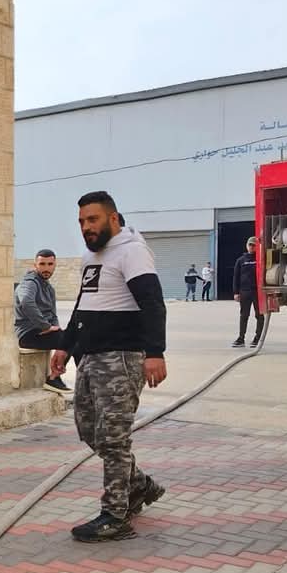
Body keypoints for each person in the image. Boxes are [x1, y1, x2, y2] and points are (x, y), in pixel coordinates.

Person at [51, 191, 167, 543]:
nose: (86, 227)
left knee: (114, 439)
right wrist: (65, 346)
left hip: (121, 357)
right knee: (90, 430)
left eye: (93, 219)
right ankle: (139, 484)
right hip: (90, 356)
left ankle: (115, 516)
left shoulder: (132, 251)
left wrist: (155, 353)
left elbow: (153, 303)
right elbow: (84, 306)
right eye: (82, 221)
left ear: (113, 219)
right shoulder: (92, 256)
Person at [14, 249, 72, 396]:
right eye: (42, 264)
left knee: (73, 338)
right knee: (70, 340)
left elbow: (53, 315)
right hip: (27, 334)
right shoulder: (29, 283)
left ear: (55, 265)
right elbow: (26, 302)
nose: (46, 268)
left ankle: (58, 377)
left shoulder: (49, 288)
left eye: (50, 264)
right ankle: (54, 378)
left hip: (42, 333)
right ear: (35, 265)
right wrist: (45, 326)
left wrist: (56, 330)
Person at [232, 237, 263, 347]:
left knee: (259, 315)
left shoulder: (261, 259)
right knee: (244, 315)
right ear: (247, 246)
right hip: (245, 292)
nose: (251, 247)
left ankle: (258, 338)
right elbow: (236, 277)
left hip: (258, 292)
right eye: (250, 245)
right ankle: (241, 338)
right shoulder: (241, 260)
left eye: (254, 245)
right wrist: (236, 292)